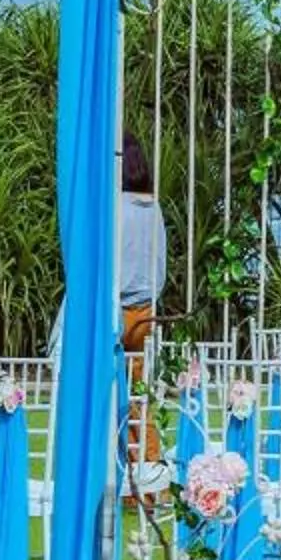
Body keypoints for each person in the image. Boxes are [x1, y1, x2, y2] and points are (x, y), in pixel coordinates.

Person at [117, 136, 168, 469]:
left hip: (118, 310)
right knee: (140, 397)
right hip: (147, 310)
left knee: (112, 398)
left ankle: (119, 470)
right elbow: (161, 262)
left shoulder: (115, 207)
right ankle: (148, 468)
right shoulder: (154, 208)